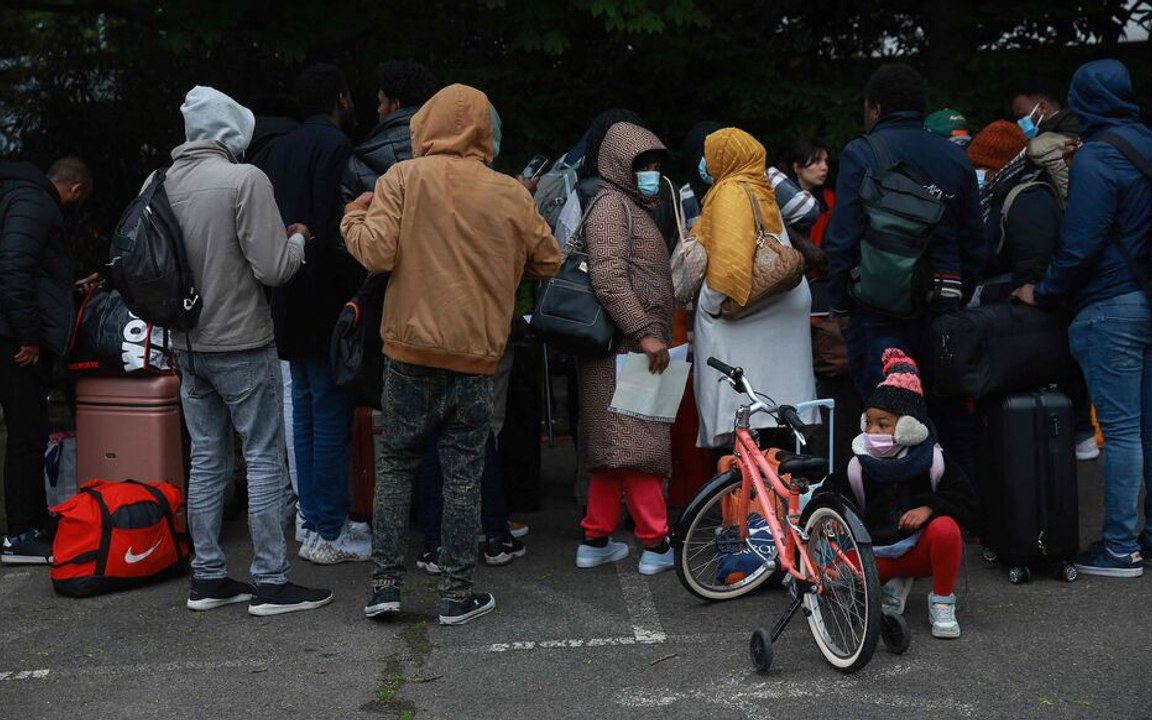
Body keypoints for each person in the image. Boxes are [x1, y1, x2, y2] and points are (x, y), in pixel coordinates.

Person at [341, 83, 559, 625]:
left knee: (395, 467)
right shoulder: (510, 192)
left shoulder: (402, 179)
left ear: (426, 124)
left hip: (407, 350)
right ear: (485, 131)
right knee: (464, 474)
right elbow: (549, 259)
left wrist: (352, 214)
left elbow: (375, 251)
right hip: (476, 356)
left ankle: (386, 586)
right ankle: (456, 595)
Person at [166, 85, 331, 615]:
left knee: (208, 459)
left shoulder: (161, 181)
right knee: (262, 457)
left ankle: (208, 576)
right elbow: (273, 268)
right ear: (234, 131)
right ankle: (271, 581)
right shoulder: (244, 179)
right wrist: (300, 238)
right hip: (240, 338)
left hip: (186, 344)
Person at [1012, 59, 1152, 578]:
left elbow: (1080, 244)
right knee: (1148, 429)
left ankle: (1119, 548)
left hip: (1110, 307)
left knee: (1119, 432)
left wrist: (1043, 291)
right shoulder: (1143, 146)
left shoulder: (1096, 159)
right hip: (1146, 301)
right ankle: (1148, 536)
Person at [823, 63, 984, 471]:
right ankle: (959, 512)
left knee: (886, 412)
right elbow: (975, 243)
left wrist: (840, 304)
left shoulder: (863, 153)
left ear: (874, 108)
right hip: (943, 302)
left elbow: (843, 235)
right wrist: (957, 298)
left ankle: (899, 520)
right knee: (946, 408)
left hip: (877, 306)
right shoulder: (956, 158)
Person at [260, 63, 369, 566]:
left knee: (303, 410)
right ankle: (329, 527)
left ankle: (312, 524)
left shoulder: (280, 149)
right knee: (328, 414)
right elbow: (336, 225)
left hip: (287, 292)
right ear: (342, 97)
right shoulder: (336, 149)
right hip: (326, 295)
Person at [573, 121, 676, 576]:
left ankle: (596, 537)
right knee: (640, 445)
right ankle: (656, 543)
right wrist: (645, 332)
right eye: (643, 165)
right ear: (619, 164)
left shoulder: (621, 203)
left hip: (624, 347)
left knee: (613, 449)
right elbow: (609, 278)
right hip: (627, 347)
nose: (651, 172)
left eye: (655, 164)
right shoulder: (614, 206)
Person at [824, 349, 977, 639]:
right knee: (829, 585)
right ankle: (893, 583)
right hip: (873, 556)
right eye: (868, 423)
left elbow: (967, 501)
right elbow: (832, 490)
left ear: (909, 426)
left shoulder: (933, 460)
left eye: (883, 424)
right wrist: (834, 514)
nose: (873, 431)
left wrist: (930, 508)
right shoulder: (859, 463)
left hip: (918, 553)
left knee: (946, 529)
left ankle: (942, 602)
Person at [692, 127, 817, 452]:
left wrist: (709, 304)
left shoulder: (730, 191)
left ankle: (743, 492)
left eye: (710, 155)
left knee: (745, 419)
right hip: (782, 308)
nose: (705, 163)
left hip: (748, 313)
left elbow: (730, 265)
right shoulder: (760, 187)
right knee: (778, 415)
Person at [0, 157, 92, 564]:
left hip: (13, 330)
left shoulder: (16, 195)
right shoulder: (35, 202)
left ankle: (31, 526)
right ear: (74, 189)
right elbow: (13, 267)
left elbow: (29, 272)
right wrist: (30, 335)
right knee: (26, 435)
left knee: (28, 432)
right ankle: (21, 534)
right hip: (15, 339)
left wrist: (66, 290)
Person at [340, 59, 436, 202]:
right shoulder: (456, 153)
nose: (378, 110)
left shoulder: (359, 163)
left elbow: (347, 221)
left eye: (381, 102)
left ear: (395, 105)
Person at [783, 138, 834, 246]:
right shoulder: (780, 197)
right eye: (817, 161)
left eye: (826, 161)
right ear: (797, 167)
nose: (824, 167)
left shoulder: (829, 199)